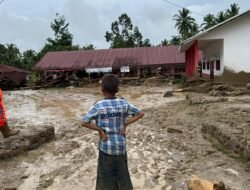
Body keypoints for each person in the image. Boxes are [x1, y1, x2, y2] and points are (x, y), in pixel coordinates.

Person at [81, 74, 144, 190]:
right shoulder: (123, 103)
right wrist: (125, 124)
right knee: (122, 174)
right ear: (117, 90)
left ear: (102, 89)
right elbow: (140, 113)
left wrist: (99, 130)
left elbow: (84, 122)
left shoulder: (98, 105)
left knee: (105, 177)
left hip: (106, 146)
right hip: (121, 147)